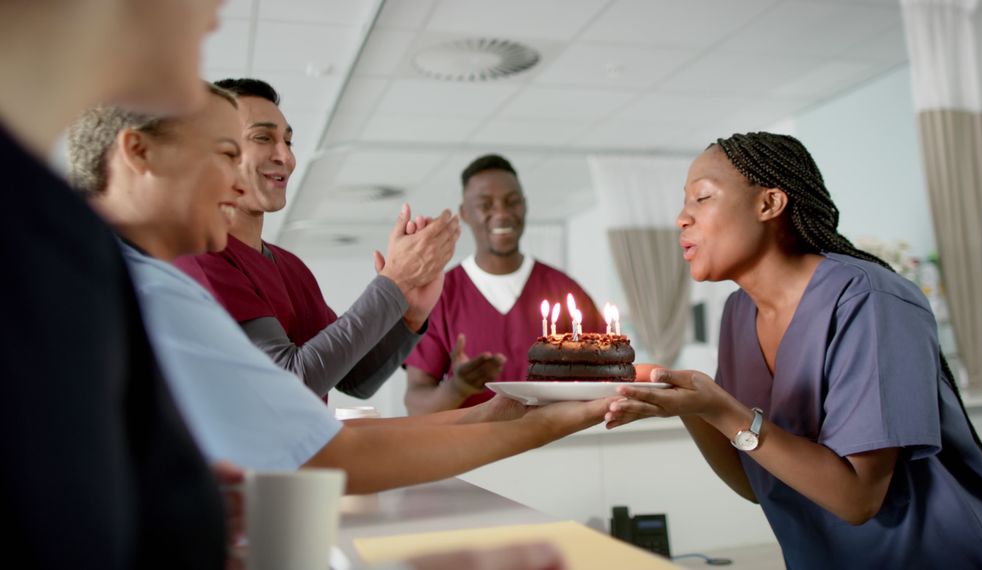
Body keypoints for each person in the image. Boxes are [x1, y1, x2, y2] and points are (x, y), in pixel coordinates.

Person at [69, 100, 616, 497]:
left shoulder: (143, 278)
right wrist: (543, 424)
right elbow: (322, 445)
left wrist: (416, 320)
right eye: (224, 153)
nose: (237, 180)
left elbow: (343, 396)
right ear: (138, 152)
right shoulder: (162, 283)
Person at [605, 133, 982, 568]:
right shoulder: (739, 313)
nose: (682, 218)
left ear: (769, 204)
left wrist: (717, 406)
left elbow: (857, 499)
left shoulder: (870, 299)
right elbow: (757, 485)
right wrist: (685, 401)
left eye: (701, 197)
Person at [0, 1, 230, 568]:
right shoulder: (35, 237)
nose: (218, 13)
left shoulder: (58, 231)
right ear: (137, 151)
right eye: (226, 153)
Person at [173, 78, 454, 400]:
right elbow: (288, 384)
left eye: (288, 142)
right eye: (263, 137)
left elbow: (355, 379)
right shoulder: (198, 257)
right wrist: (394, 282)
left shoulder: (290, 267)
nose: (286, 157)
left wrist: (409, 313)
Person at [404, 154, 602, 413]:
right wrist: (457, 388)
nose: (502, 213)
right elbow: (416, 404)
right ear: (465, 213)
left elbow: (603, 379)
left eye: (512, 202)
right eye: (486, 204)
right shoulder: (440, 296)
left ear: (525, 205)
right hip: (474, 450)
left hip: (555, 446)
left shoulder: (564, 290)